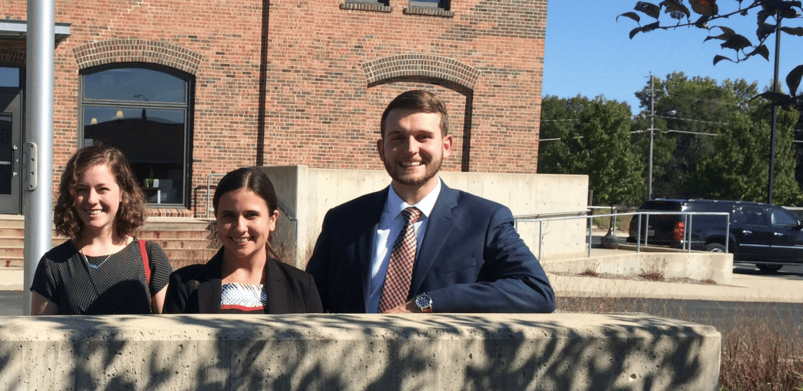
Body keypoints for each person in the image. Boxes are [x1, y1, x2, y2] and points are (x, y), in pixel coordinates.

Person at [305, 90, 555, 314]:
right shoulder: (343, 221)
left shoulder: (485, 220)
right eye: (398, 138)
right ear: (382, 149)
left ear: (446, 146)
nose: (411, 149)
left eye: (423, 137)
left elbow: (535, 290)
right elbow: (306, 300)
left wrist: (427, 303)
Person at [31, 144, 171, 315]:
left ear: (122, 193)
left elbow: (171, 335)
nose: (91, 199)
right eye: (81, 189)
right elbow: (42, 338)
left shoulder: (149, 257)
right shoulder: (53, 265)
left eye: (102, 189)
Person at [165, 168, 323, 314]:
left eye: (251, 215)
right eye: (229, 215)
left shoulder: (301, 286)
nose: (240, 227)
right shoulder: (185, 284)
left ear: (272, 220)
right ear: (217, 219)